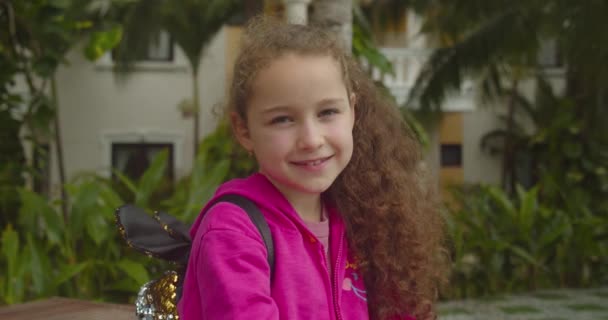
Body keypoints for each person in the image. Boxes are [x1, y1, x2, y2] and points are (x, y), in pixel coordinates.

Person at [178, 16, 448, 320]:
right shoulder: (232, 231)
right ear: (243, 130)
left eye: (328, 112)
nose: (310, 139)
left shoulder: (361, 216)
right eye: (283, 119)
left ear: (352, 112)